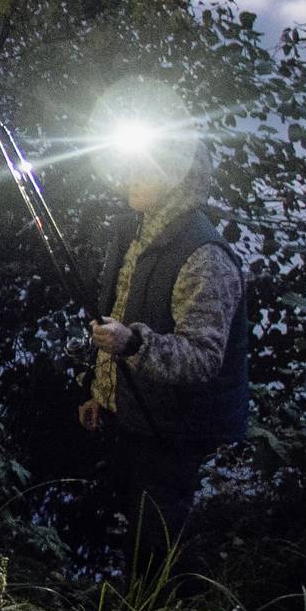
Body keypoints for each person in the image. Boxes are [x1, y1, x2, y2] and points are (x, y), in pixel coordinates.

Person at [75, 108, 251, 566]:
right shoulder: (136, 234)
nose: (129, 174)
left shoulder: (204, 257)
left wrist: (134, 345)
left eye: (144, 167)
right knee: (121, 533)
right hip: (131, 415)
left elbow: (202, 358)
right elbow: (118, 318)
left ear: (176, 178)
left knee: (153, 547)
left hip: (173, 431)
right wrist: (101, 392)